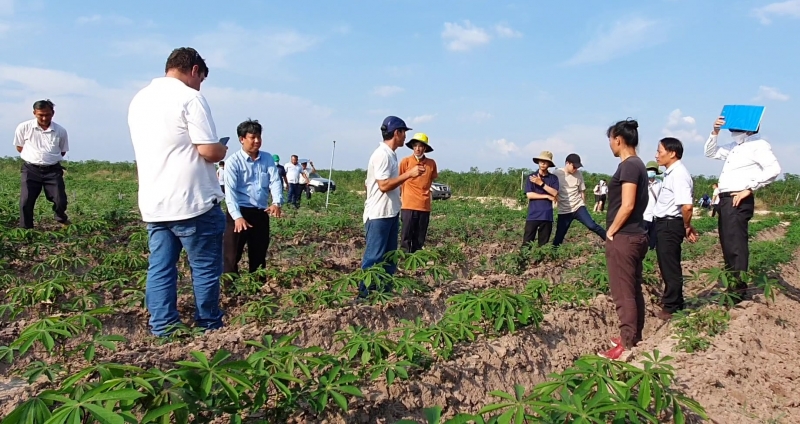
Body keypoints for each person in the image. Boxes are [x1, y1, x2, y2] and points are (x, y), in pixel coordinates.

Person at [127, 47, 227, 337]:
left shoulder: (139, 99)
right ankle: (209, 326)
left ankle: (163, 328)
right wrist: (221, 149)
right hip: (192, 201)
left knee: (160, 268)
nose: (200, 84)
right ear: (195, 70)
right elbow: (208, 149)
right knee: (205, 269)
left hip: (154, 202)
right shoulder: (190, 97)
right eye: (201, 78)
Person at [704, 116, 781, 302]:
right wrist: (715, 132)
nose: (732, 132)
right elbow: (710, 152)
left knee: (736, 245)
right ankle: (733, 284)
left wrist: (749, 188)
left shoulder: (759, 145)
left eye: (735, 128)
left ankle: (737, 291)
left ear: (749, 128)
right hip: (725, 200)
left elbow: (774, 169)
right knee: (728, 244)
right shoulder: (734, 146)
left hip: (737, 199)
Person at [360, 116, 424, 298]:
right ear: (397, 133)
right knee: (374, 258)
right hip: (378, 214)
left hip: (390, 212)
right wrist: (409, 174)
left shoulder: (390, 154)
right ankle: (364, 297)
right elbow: (384, 185)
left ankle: (384, 295)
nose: (405, 138)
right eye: (404, 133)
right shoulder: (382, 155)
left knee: (389, 259)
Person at [601, 119, 649, 360]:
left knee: (623, 292)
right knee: (632, 288)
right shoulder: (638, 164)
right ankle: (634, 335)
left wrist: (611, 231)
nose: (610, 144)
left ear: (618, 139)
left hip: (625, 236)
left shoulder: (629, 166)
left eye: (610, 139)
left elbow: (628, 204)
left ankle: (625, 343)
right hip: (636, 234)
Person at [223, 119, 283, 275]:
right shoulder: (233, 162)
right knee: (231, 256)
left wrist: (276, 202)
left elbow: (275, 181)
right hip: (239, 212)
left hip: (260, 212)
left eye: (259, 137)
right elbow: (230, 192)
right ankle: (231, 292)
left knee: (259, 254)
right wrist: (237, 217)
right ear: (242, 139)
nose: (257, 141)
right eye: (252, 137)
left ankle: (256, 290)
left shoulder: (267, 158)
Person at [653, 137, 698, 321]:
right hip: (668, 223)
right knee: (668, 264)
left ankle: (671, 306)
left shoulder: (679, 174)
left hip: (670, 224)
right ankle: (674, 301)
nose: (657, 155)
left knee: (670, 266)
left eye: (659, 151)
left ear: (672, 153)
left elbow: (686, 206)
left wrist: (686, 226)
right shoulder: (672, 173)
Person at [14, 99, 70, 229]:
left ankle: (61, 218)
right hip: (31, 169)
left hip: (52, 170)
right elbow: (19, 147)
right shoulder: (24, 127)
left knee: (60, 199)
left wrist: (48, 159)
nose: (44, 118)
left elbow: (62, 151)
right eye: (41, 115)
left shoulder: (60, 131)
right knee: (26, 201)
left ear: (53, 113)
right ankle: (26, 230)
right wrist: (34, 158)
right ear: (34, 113)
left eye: (47, 114)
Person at [551, 153, 607, 247]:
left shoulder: (578, 174)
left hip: (578, 207)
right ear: (567, 163)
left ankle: (611, 241)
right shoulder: (557, 173)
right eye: (574, 166)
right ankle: (553, 253)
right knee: (559, 235)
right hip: (564, 210)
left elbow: (582, 191)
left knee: (592, 225)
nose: (576, 169)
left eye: (577, 167)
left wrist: (583, 204)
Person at [399, 132, 438, 253]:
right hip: (408, 205)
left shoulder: (431, 164)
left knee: (419, 239)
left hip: (424, 205)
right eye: (415, 146)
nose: (417, 149)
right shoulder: (405, 162)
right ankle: (404, 262)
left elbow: (430, 181)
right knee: (406, 237)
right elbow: (400, 180)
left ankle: (417, 265)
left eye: (420, 146)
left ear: (425, 148)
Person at [523, 151, 559, 248]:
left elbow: (555, 193)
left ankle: (539, 263)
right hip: (533, 215)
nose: (543, 163)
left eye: (545, 161)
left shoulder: (553, 178)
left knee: (543, 245)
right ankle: (522, 262)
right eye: (541, 161)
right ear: (538, 162)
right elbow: (529, 195)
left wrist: (541, 184)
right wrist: (546, 196)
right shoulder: (531, 177)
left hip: (546, 216)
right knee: (526, 244)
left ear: (549, 164)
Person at [643, 161, 663, 250]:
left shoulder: (660, 183)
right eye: (649, 170)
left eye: (653, 170)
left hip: (655, 215)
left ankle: (651, 252)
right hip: (644, 215)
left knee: (653, 237)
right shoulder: (642, 183)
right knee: (643, 237)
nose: (651, 171)